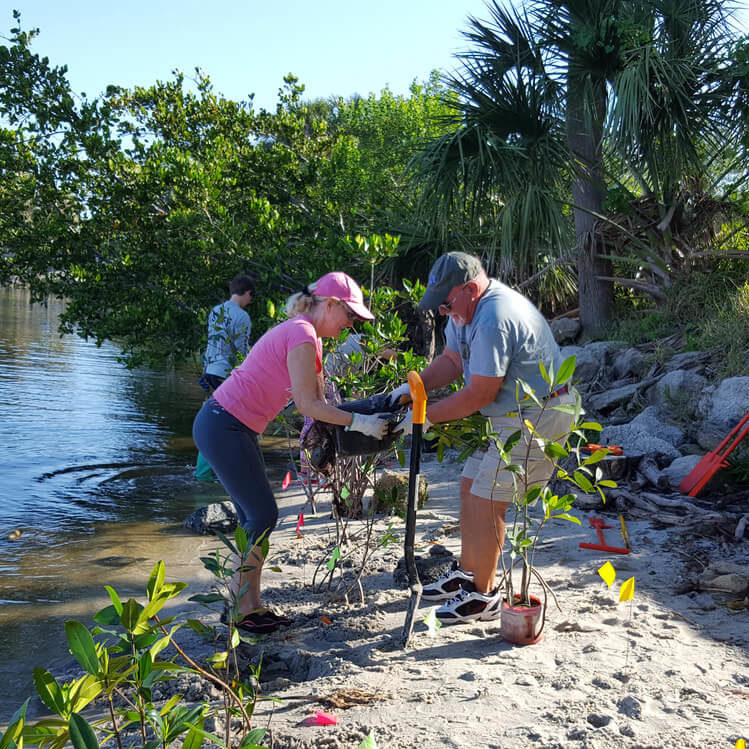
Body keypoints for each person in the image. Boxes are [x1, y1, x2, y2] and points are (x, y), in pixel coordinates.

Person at [193, 272, 391, 633]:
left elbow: (321, 401)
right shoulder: (301, 333)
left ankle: (249, 606)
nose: (350, 325)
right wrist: (362, 424)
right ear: (330, 304)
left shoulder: (305, 334)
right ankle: (239, 608)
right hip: (224, 425)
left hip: (232, 426)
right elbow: (309, 405)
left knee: (256, 518)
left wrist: (370, 413)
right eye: (349, 316)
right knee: (262, 515)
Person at [391, 252, 574, 625]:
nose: (443, 311)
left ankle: (484, 595)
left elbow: (479, 395)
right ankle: (470, 571)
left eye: (446, 302)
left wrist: (421, 418)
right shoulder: (464, 312)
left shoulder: (493, 317)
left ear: (470, 289)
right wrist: (411, 390)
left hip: (540, 416)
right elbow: (453, 362)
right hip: (509, 417)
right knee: (469, 484)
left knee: (489, 500)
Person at [200, 274, 255, 393]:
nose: (250, 301)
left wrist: (204, 371)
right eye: (251, 297)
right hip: (225, 374)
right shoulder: (242, 316)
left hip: (210, 372)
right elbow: (242, 351)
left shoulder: (216, 310)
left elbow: (211, 344)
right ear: (248, 293)